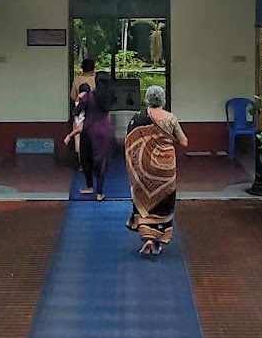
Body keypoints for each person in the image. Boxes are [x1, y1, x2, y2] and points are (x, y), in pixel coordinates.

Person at [125, 84, 187, 256]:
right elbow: (184, 142)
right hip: (165, 168)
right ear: (163, 100)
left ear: (147, 100)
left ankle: (148, 237)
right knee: (164, 202)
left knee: (146, 200)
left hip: (144, 168)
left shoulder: (138, 118)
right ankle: (156, 240)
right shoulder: (170, 118)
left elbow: (129, 142)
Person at [80, 71, 118, 200]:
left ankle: (89, 186)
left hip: (88, 129)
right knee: (102, 160)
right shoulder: (110, 97)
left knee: (86, 158)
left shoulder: (89, 96)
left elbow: (78, 110)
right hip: (105, 129)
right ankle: (99, 193)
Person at [64, 81, 93, 193]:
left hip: (83, 130)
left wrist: (69, 136)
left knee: (83, 151)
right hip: (88, 130)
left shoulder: (80, 102)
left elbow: (78, 122)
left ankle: (85, 167)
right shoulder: (91, 101)